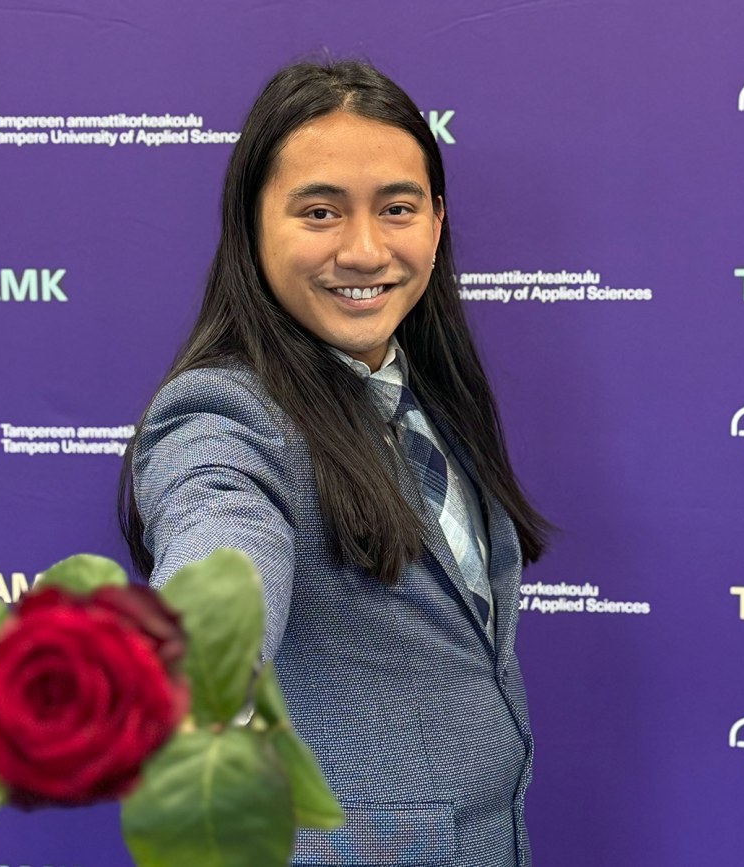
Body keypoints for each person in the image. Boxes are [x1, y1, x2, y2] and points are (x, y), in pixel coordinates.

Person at [120, 58, 549, 867]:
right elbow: (218, 523)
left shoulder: (429, 395)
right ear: (251, 226)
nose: (364, 249)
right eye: (320, 212)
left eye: (397, 209)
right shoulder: (222, 410)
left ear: (437, 222)